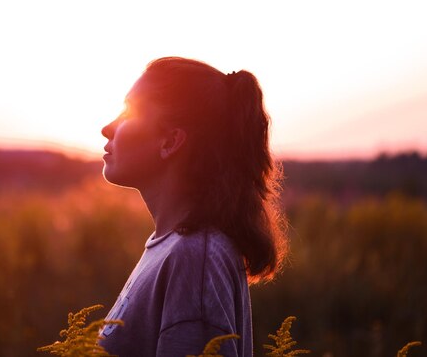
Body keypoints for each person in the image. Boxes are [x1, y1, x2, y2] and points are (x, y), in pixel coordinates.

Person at [98, 57, 286, 357]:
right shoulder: (175, 248)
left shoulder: (195, 259)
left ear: (171, 141)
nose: (107, 128)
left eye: (128, 112)